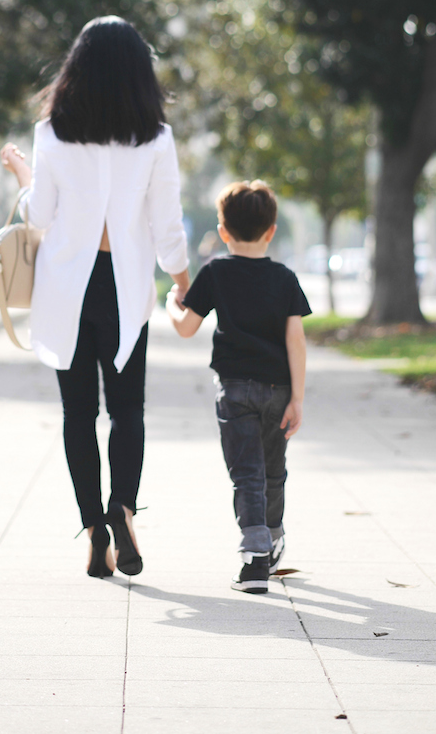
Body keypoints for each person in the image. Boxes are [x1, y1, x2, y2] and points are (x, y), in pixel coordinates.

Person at [0, 17, 189, 579]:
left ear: (75, 68)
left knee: (78, 413)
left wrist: (23, 174)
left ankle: (94, 532)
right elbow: (166, 223)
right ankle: (123, 509)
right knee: (128, 407)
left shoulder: (53, 131)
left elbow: (40, 217)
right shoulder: (156, 137)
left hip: (68, 288)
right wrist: (181, 283)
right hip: (125, 288)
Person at [166, 181, 310, 594]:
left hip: (234, 391)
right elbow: (295, 341)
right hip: (279, 390)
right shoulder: (285, 278)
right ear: (271, 230)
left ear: (223, 231)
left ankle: (254, 559)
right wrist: (298, 398)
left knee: (246, 473)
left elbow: (187, 328)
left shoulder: (215, 272)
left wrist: (172, 306)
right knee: (273, 471)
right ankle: (273, 535)